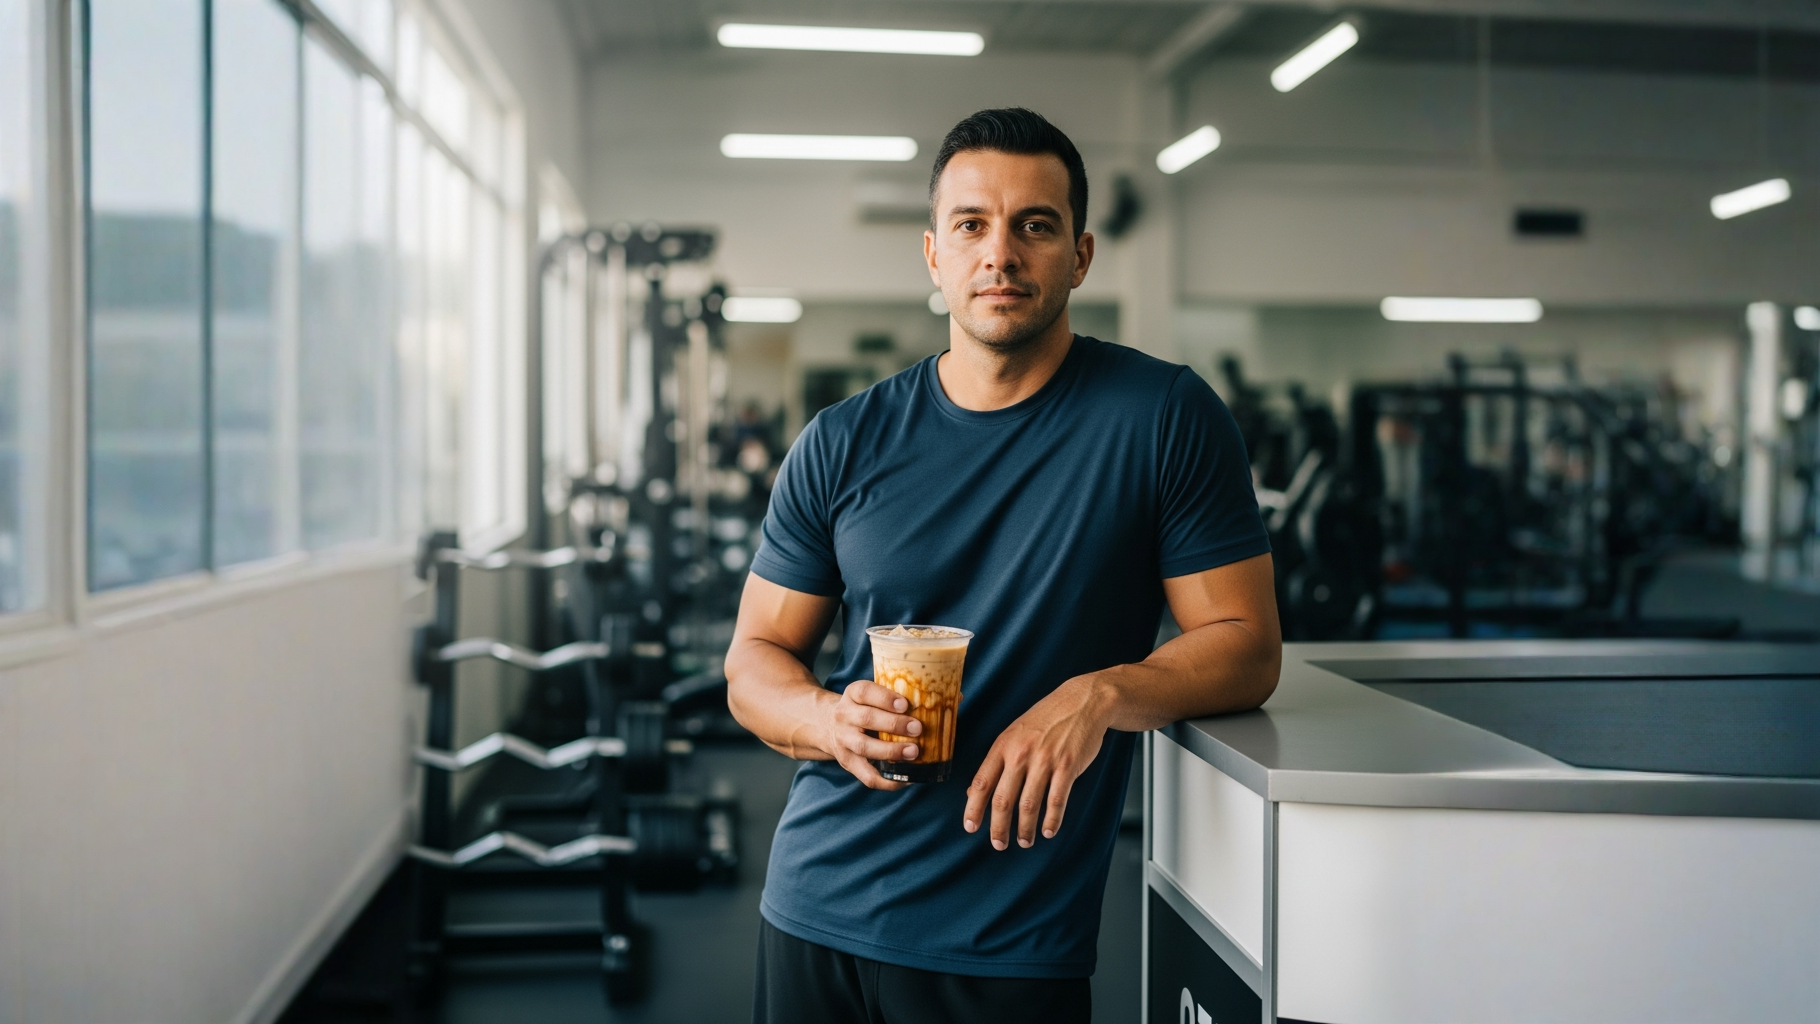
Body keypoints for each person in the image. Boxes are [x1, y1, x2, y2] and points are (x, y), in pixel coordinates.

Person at [726, 107, 1281, 1024]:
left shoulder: (1163, 418)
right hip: (816, 907)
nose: (1002, 254)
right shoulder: (843, 440)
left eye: (1036, 225)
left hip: (1008, 941)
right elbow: (754, 662)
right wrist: (829, 718)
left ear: (1081, 255)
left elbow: (1247, 646)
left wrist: (1097, 697)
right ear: (934, 256)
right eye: (972, 225)